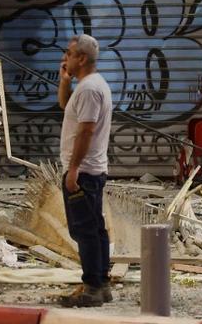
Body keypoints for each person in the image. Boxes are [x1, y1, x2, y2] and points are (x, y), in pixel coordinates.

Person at [56, 34, 113, 307]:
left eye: (69, 53)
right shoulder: (86, 87)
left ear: (81, 58)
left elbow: (87, 130)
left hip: (85, 173)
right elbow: (65, 106)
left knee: (85, 231)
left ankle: (92, 288)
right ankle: (101, 284)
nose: (64, 58)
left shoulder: (90, 89)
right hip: (89, 171)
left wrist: (73, 170)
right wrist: (65, 81)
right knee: (95, 228)